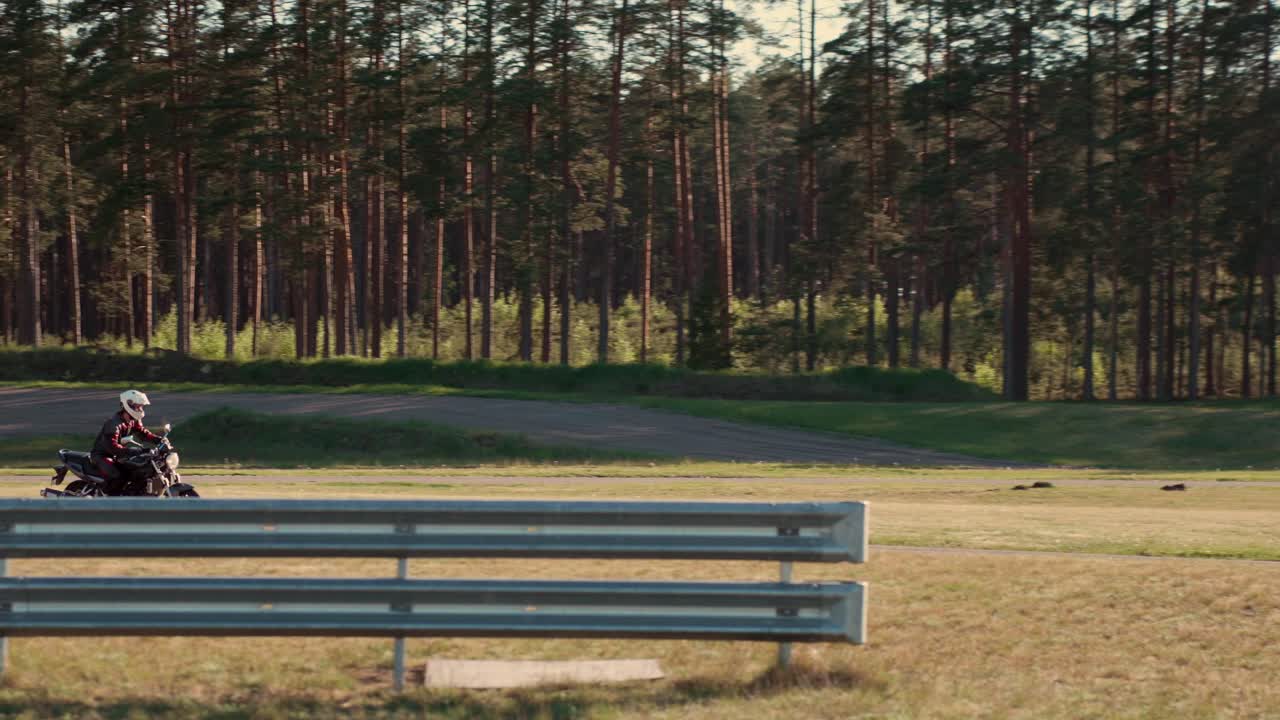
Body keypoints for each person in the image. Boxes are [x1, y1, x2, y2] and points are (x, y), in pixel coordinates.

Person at [91, 390, 162, 492]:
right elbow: (113, 447)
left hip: (119, 455)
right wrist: (137, 451)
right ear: (129, 405)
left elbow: (143, 434)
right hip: (102, 456)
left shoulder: (133, 420)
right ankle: (107, 501)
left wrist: (159, 440)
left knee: (136, 472)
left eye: (141, 406)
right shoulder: (113, 424)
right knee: (118, 476)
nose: (140, 409)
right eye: (138, 406)